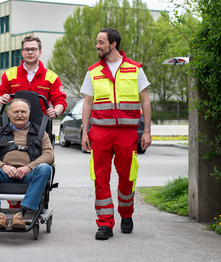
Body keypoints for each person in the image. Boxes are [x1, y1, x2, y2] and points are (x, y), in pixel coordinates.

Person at [81, 28, 152, 240]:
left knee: (127, 178)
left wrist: (147, 131)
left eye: (101, 42)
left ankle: (126, 215)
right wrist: (85, 132)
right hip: (100, 132)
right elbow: (87, 103)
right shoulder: (93, 71)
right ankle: (105, 224)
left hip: (127, 133)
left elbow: (145, 100)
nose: (97, 46)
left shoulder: (135, 69)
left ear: (113, 44)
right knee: (100, 178)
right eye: (97, 41)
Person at [0, 98, 54, 229]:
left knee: (45, 168)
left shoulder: (40, 132)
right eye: (16, 112)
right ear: (8, 114)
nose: (20, 115)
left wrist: (29, 168)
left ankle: (21, 213)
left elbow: (49, 155)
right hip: (3, 173)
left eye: (23, 112)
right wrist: (3, 166)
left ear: (29, 113)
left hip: (29, 175)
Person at [0, 35, 67, 119]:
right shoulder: (9, 74)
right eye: (27, 49)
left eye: (34, 49)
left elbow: (60, 101)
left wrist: (55, 112)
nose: (30, 52)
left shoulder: (52, 77)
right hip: (15, 124)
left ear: (40, 53)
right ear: (22, 53)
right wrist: (1, 100)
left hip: (41, 126)